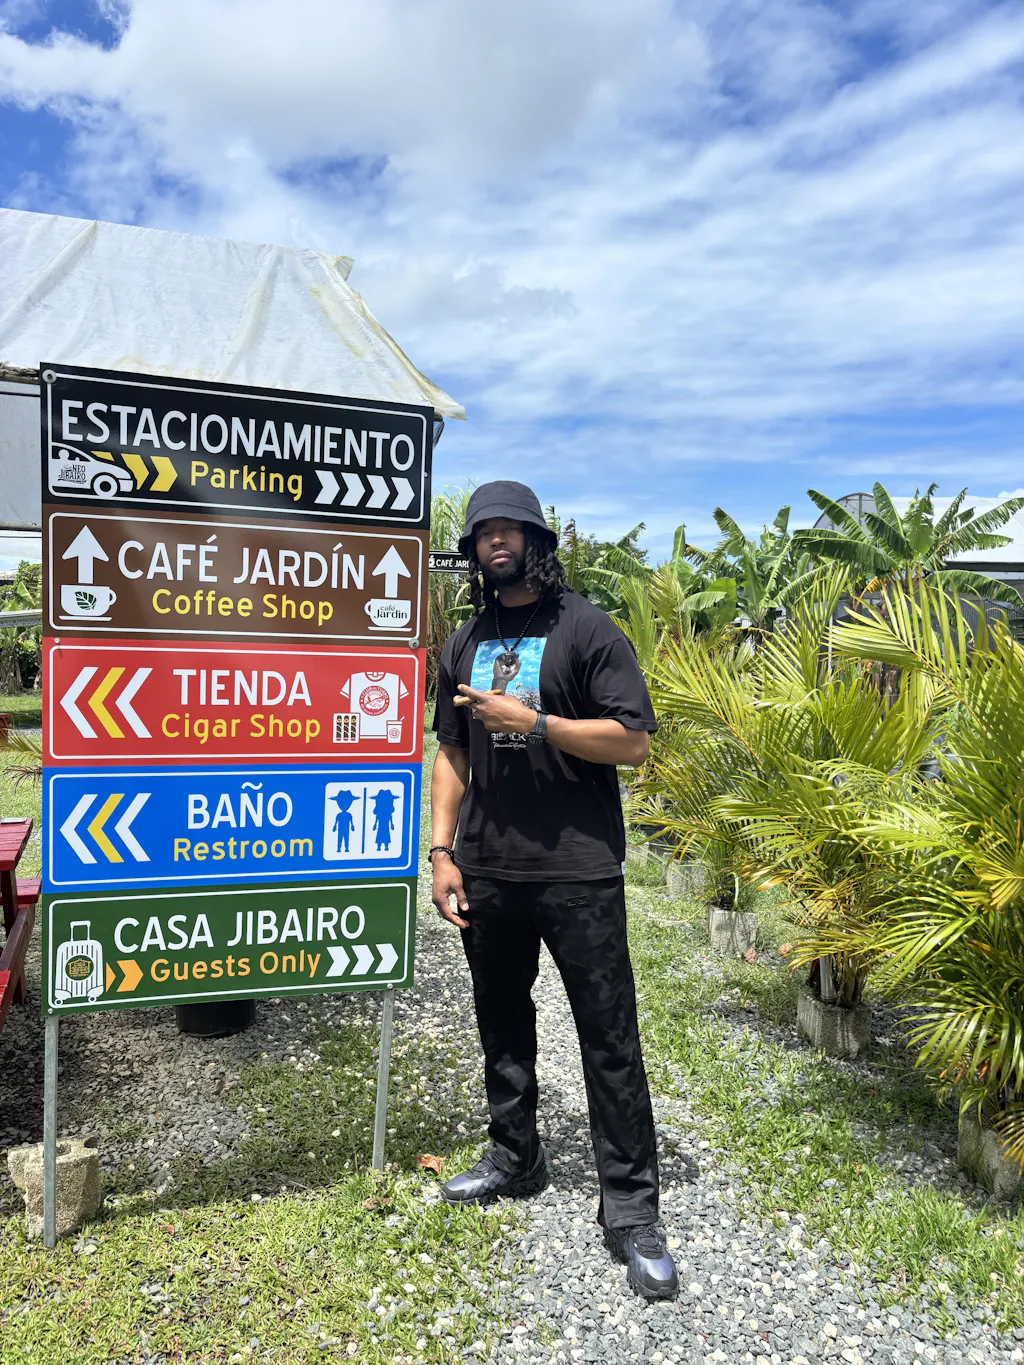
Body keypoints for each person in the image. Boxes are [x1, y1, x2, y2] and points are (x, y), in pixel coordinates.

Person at [430, 480, 679, 1302]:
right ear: (472, 551)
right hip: (489, 868)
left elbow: (633, 741)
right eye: (483, 532)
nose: (495, 541)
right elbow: (452, 751)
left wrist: (535, 722)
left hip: (579, 869)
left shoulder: (585, 627)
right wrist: (442, 851)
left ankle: (632, 1210)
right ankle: (516, 1156)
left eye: (511, 529)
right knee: (501, 1021)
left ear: (538, 542)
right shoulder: (465, 639)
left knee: (609, 1037)